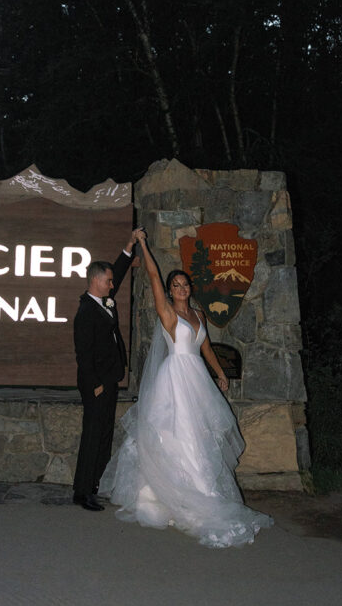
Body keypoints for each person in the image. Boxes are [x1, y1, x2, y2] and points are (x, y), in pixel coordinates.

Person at [99, 229, 273, 546]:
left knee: (200, 435)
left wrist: (220, 373)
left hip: (197, 379)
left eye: (185, 284)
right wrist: (144, 246)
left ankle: (203, 489)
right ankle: (170, 495)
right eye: (175, 285)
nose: (181, 288)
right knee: (175, 435)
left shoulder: (198, 315)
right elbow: (152, 274)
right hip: (174, 380)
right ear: (169, 290)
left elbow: (205, 348)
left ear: (190, 288)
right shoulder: (167, 313)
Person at [72, 230, 140, 511]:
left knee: (104, 434)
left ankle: (94, 485)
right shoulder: (86, 311)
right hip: (97, 383)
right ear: (95, 280)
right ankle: (82, 491)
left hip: (110, 379)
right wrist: (95, 383)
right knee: (93, 435)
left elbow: (119, 277)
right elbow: (83, 353)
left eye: (112, 281)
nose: (113, 285)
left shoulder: (104, 301)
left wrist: (128, 249)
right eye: (108, 281)